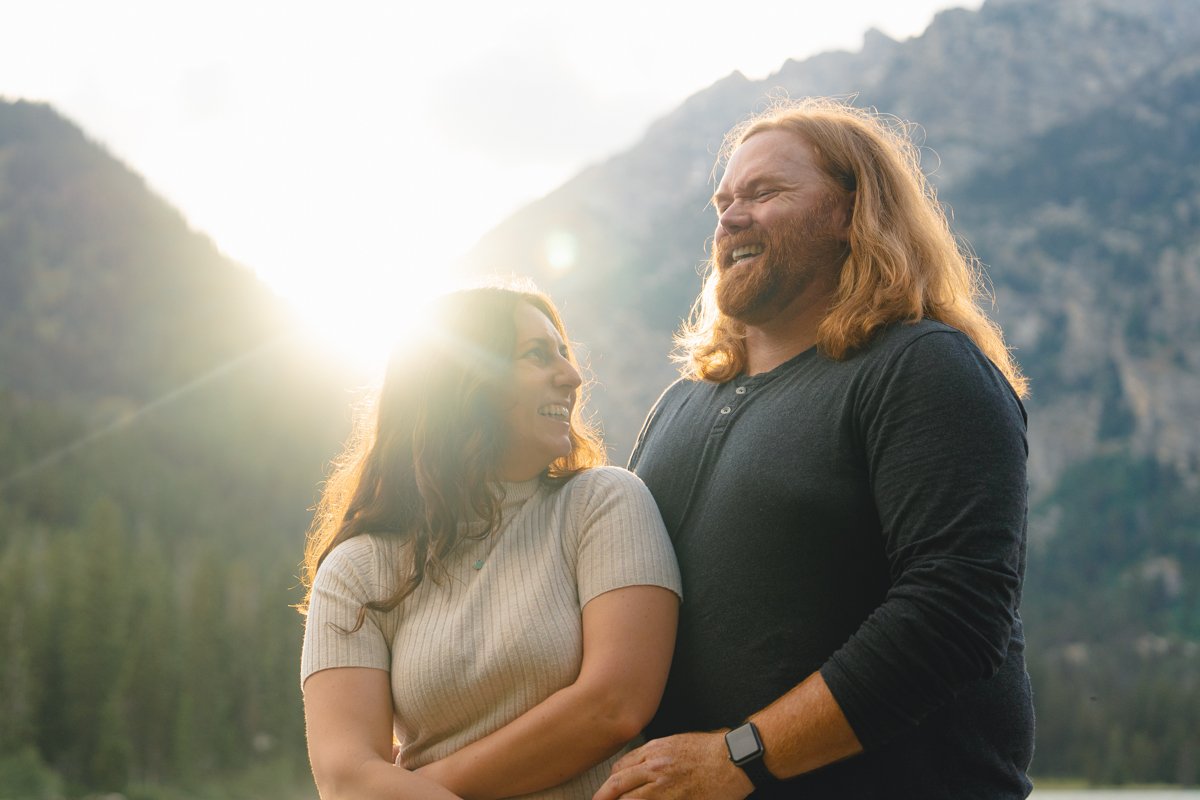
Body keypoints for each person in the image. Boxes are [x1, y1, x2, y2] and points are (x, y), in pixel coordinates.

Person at [594, 97, 1034, 799]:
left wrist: (740, 758)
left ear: (851, 212)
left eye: (764, 193)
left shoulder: (922, 366)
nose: (730, 217)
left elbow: (955, 612)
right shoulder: (679, 403)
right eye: (723, 201)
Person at [299, 284, 681, 799]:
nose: (572, 376)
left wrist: (410, 787)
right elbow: (347, 778)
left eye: (564, 355)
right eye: (537, 355)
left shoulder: (604, 502)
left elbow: (614, 705)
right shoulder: (355, 569)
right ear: (465, 381)